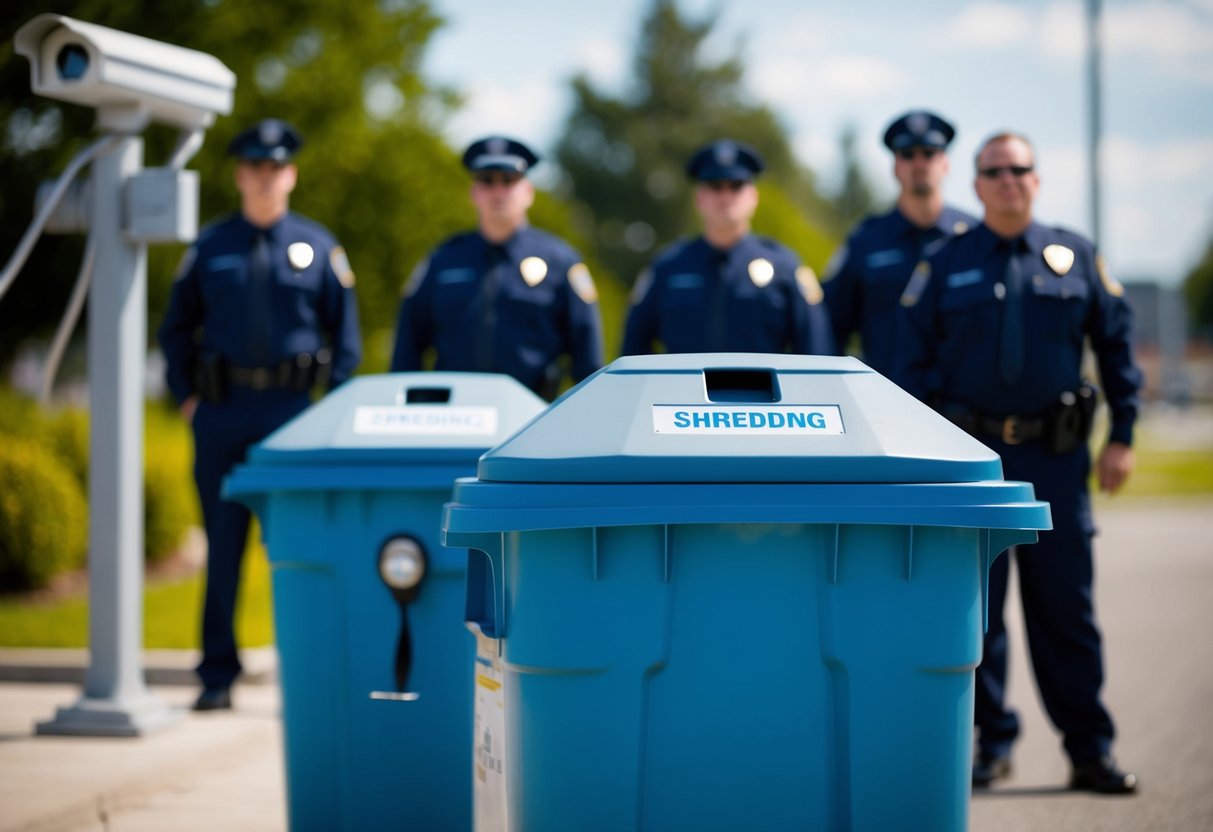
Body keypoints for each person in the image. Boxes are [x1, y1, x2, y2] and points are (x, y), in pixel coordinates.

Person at [895, 131, 1141, 794]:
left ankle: (1089, 749)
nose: (1007, 180)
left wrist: (1122, 434)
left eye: (1019, 169)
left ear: (1036, 180)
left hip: (1056, 461)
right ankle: (987, 743)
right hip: (971, 463)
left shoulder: (1075, 257)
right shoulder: (946, 264)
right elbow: (910, 368)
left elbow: (1116, 350)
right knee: (977, 611)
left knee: (1065, 610)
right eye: (993, 171)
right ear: (974, 185)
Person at [158, 119, 361, 711]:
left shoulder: (320, 248)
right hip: (221, 414)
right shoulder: (210, 247)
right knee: (222, 550)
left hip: (292, 419)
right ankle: (218, 675)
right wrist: (186, 398)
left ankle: (307, 672)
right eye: (255, 168)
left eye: (276, 168)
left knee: (300, 550)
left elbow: (344, 342)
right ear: (240, 174)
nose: (266, 178)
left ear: (290, 174)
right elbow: (174, 330)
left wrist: (328, 413)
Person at [390, 136, 603, 399]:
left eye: (508, 180)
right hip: (451, 419)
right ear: (474, 193)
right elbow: (408, 347)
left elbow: (587, 356)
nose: (498, 191)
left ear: (528, 192)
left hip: (532, 418)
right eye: (487, 181)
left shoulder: (560, 261)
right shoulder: (443, 260)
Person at [621, 139, 833, 356]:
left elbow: (815, 349)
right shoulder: (668, 267)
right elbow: (633, 349)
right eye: (715, 186)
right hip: (683, 390)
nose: (725, 197)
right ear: (699, 198)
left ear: (753, 197)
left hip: (760, 390)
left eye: (736, 186)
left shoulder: (785, 267)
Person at [821, 110, 976, 378]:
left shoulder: (974, 238)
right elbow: (829, 328)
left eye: (929, 152)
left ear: (946, 163)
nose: (919, 163)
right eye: (907, 154)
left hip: (962, 412)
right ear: (895, 165)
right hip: (885, 403)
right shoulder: (865, 240)